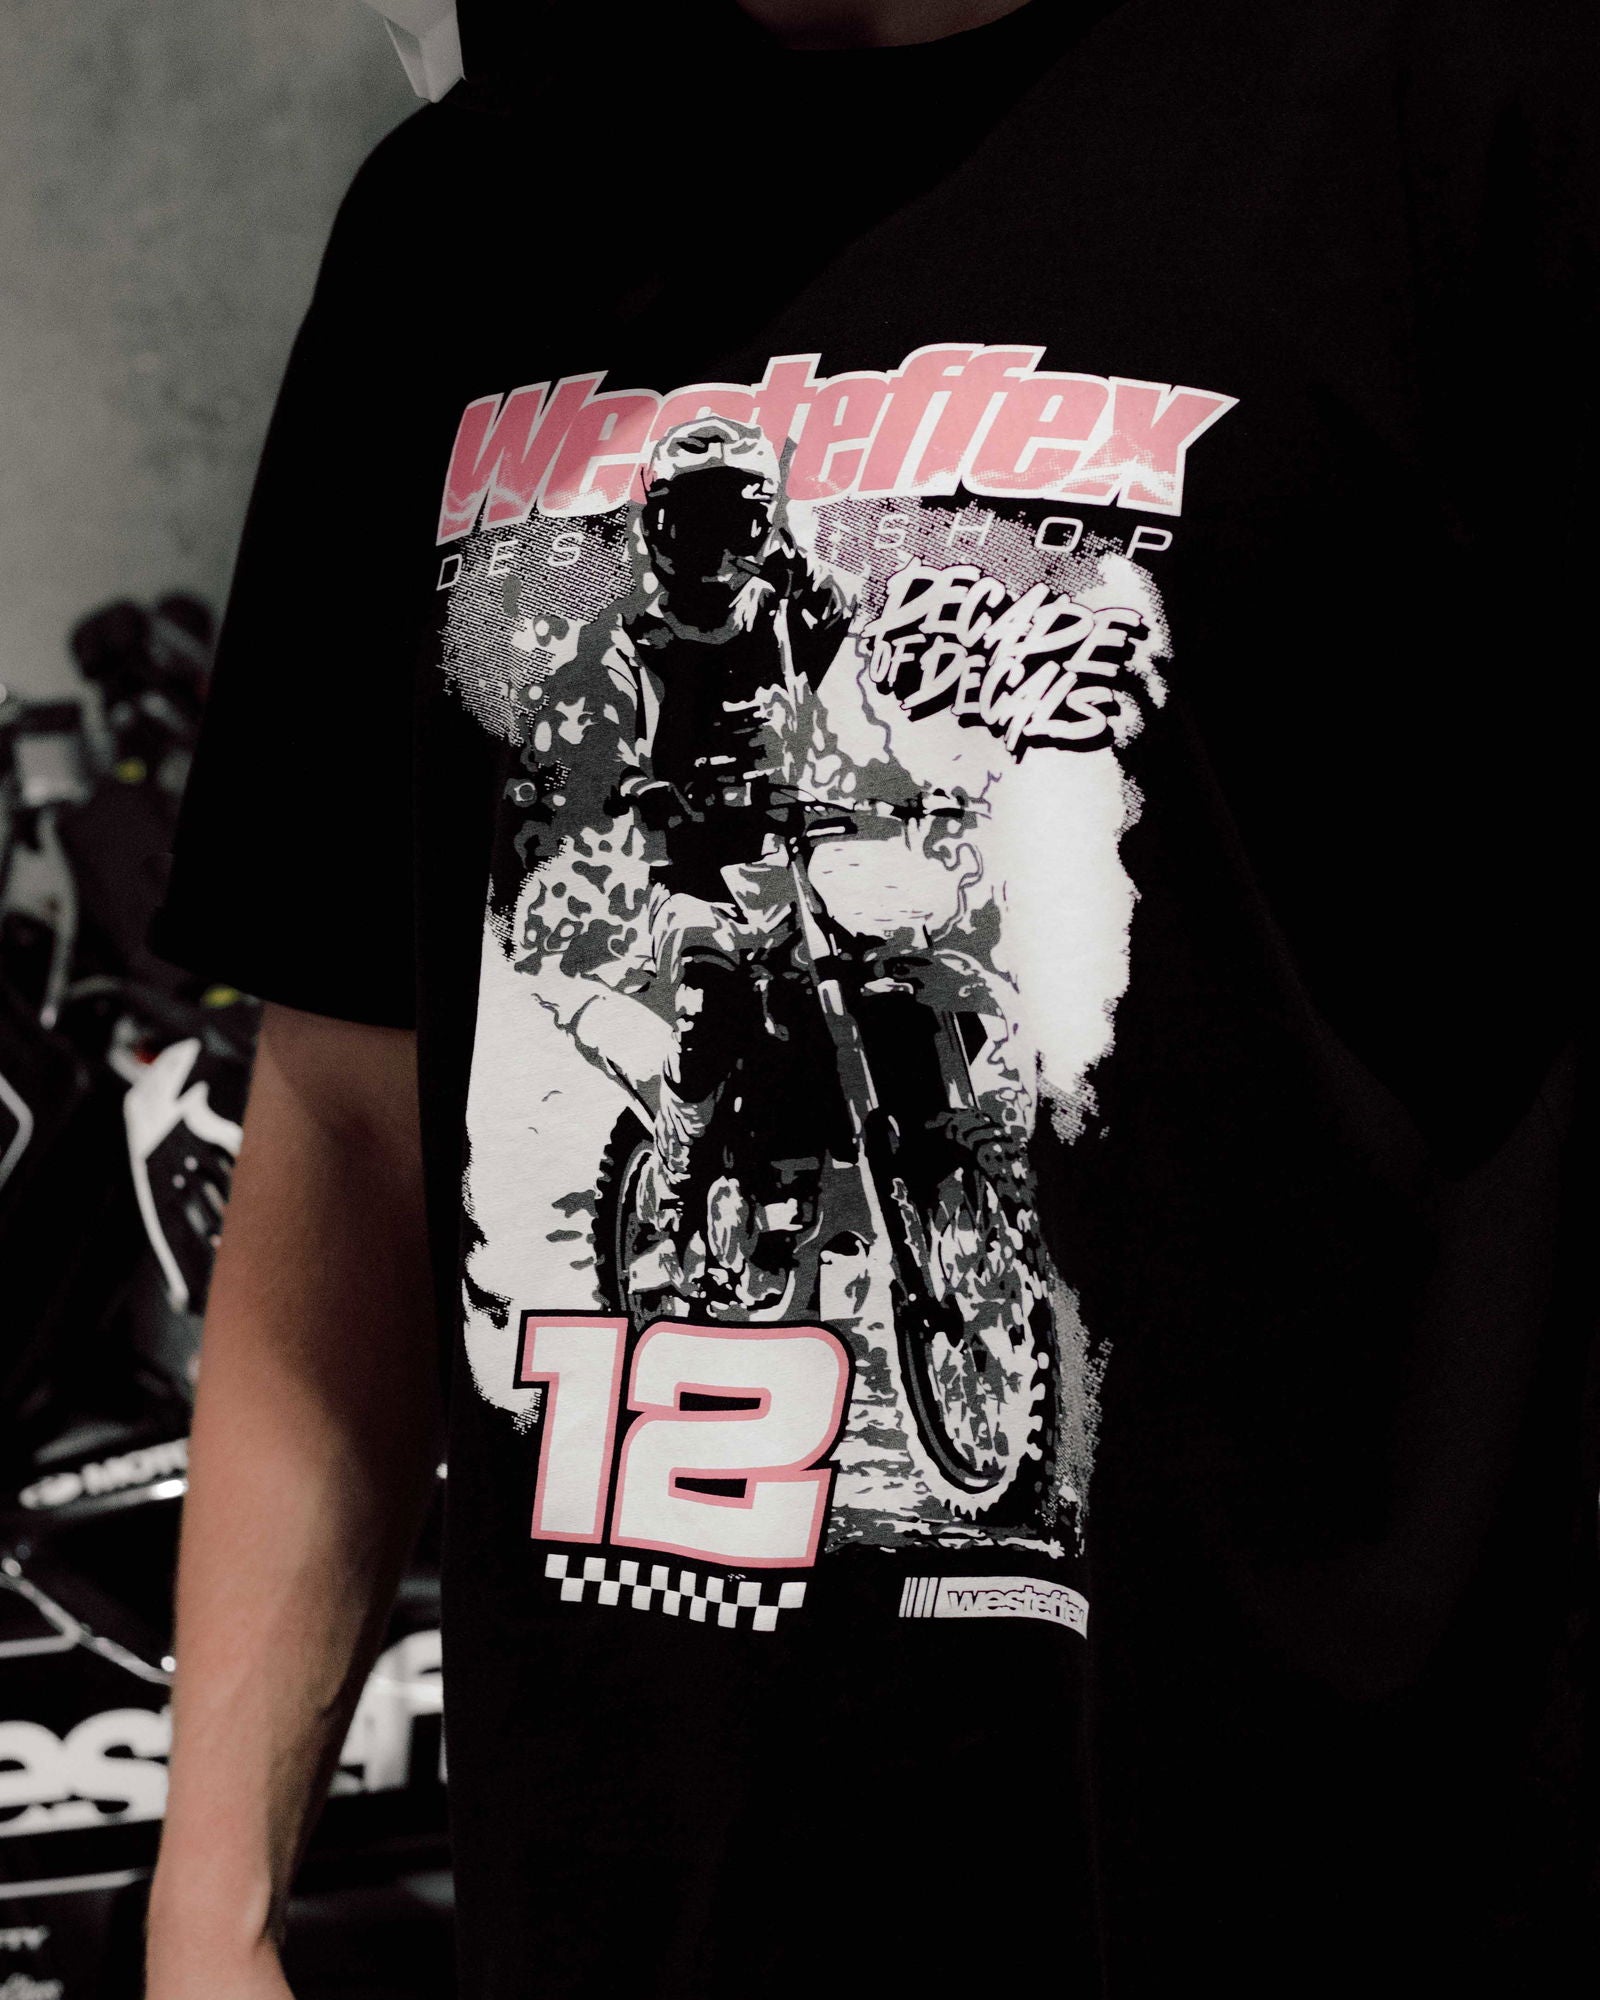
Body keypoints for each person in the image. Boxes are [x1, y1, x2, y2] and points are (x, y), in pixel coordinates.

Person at [143, 2, 1597, 1996]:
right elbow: (351, 1115)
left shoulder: (1456, 106)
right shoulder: (460, 226)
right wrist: (208, 1915)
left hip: (1329, 1895)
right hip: (637, 1924)